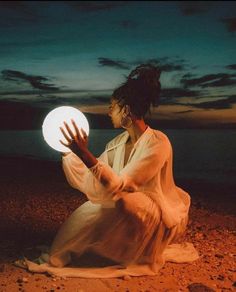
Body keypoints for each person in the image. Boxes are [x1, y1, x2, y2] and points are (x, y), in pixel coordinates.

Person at [20, 64, 198, 277]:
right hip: (128, 203)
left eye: (112, 106)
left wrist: (85, 153)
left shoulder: (158, 142)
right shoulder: (117, 143)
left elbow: (121, 186)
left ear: (126, 110)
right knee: (81, 224)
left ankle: (135, 251)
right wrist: (70, 152)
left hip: (156, 210)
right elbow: (91, 181)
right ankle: (118, 249)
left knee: (122, 200)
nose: (108, 112)